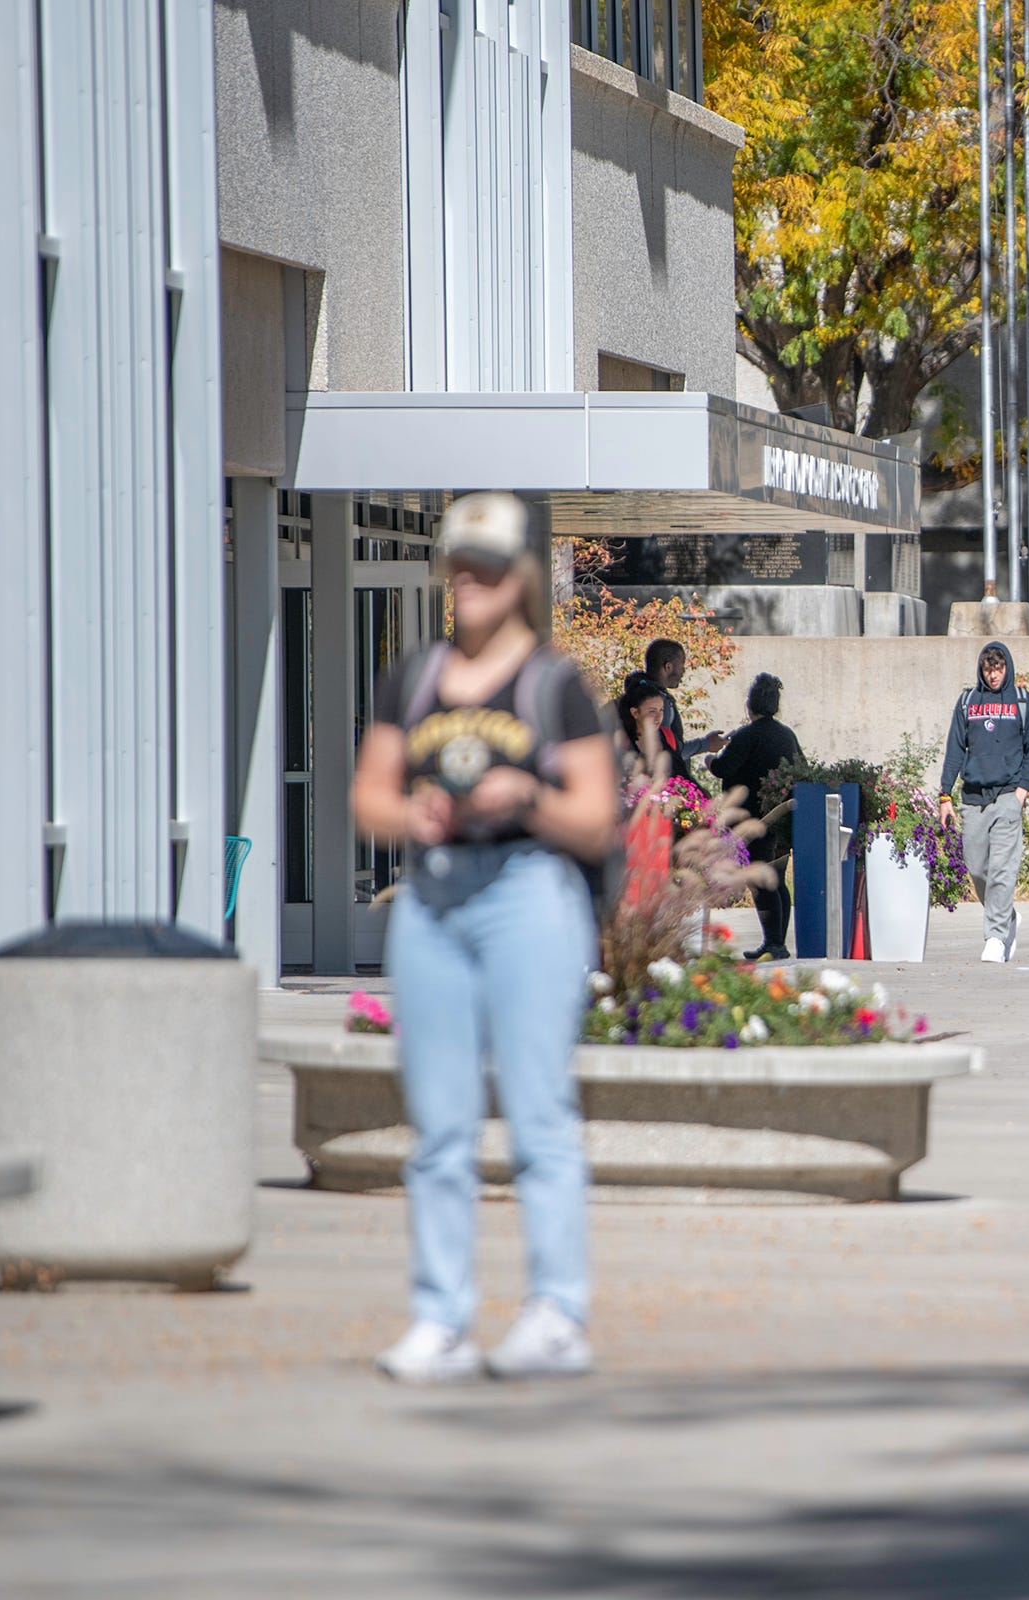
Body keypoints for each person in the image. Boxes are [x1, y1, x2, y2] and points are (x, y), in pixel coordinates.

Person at [351, 492, 620, 1384]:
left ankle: (556, 1313)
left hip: (526, 891)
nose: (467, 581)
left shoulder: (554, 684)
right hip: (432, 897)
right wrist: (411, 811)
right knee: (439, 1124)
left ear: (521, 579)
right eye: (459, 564)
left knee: (538, 1111)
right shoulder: (415, 674)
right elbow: (369, 795)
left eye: (487, 567)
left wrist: (527, 799)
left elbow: (594, 817)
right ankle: (440, 1319)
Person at [937, 643, 1029, 964]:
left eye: (998, 669)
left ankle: (995, 938)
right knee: (976, 868)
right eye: (988, 669)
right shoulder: (968, 702)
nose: (994, 675)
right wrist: (945, 795)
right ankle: (1008, 917)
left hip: (1007, 797)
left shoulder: (1024, 702)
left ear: (1007, 668)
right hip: (972, 798)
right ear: (981, 670)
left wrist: (1021, 791)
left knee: (1002, 870)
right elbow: (955, 749)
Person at [710, 672, 805, 959]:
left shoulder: (745, 735)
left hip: (752, 820)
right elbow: (802, 767)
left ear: (749, 705)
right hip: (781, 818)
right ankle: (776, 942)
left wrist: (710, 759)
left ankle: (774, 943)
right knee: (775, 879)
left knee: (761, 881)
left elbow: (722, 769)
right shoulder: (787, 735)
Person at [641, 638, 727, 782]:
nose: (683, 671)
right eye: (681, 665)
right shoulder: (658, 704)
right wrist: (706, 744)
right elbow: (668, 753)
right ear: (668, 667)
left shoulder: (638, 695)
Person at [612, 672, 672, 787]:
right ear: (635, 712)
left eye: (661, 710)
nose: (658, 718)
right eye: (652, 711)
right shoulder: (621, 742)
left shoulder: (667, 737)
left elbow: (681, 774)